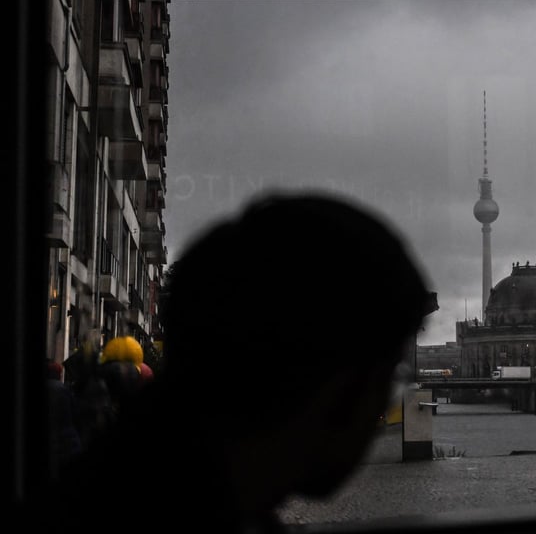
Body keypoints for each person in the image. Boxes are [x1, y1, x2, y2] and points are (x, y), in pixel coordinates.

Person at [43, 194, 435, 534]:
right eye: (386, 381)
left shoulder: (115, 489)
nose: (381, 407)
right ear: (336, 387)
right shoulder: (204, 516)